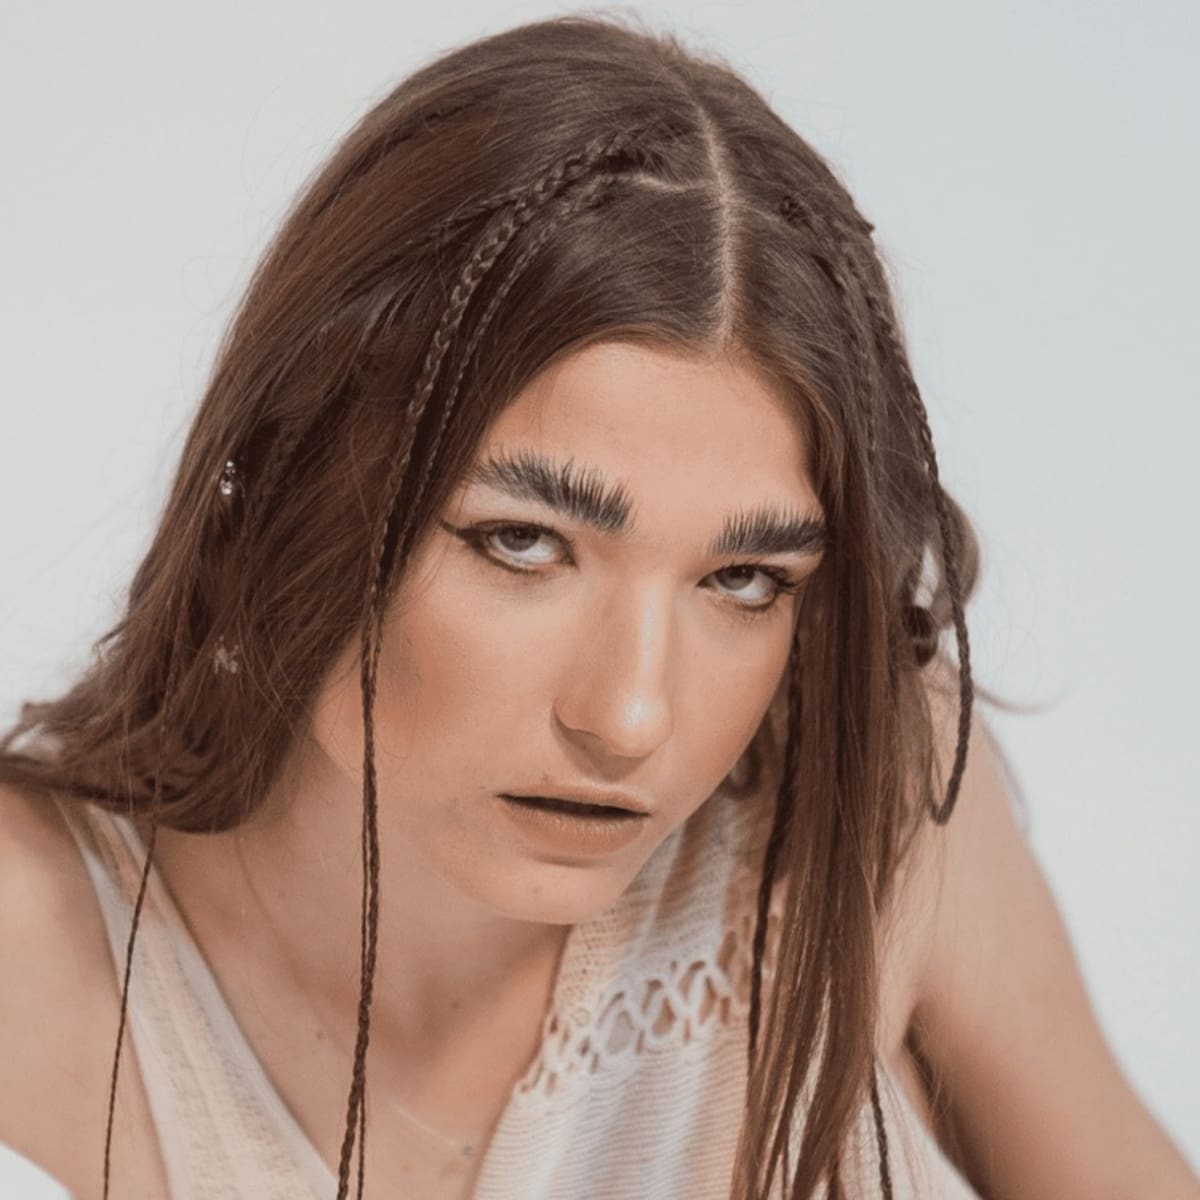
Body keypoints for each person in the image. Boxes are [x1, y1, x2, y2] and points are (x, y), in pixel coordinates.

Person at [1, 13, 1196, 1200]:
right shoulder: (30, 950)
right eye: (523, 543)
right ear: (278, 483)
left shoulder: (865, 812)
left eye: (743, 579)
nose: (629, 717)